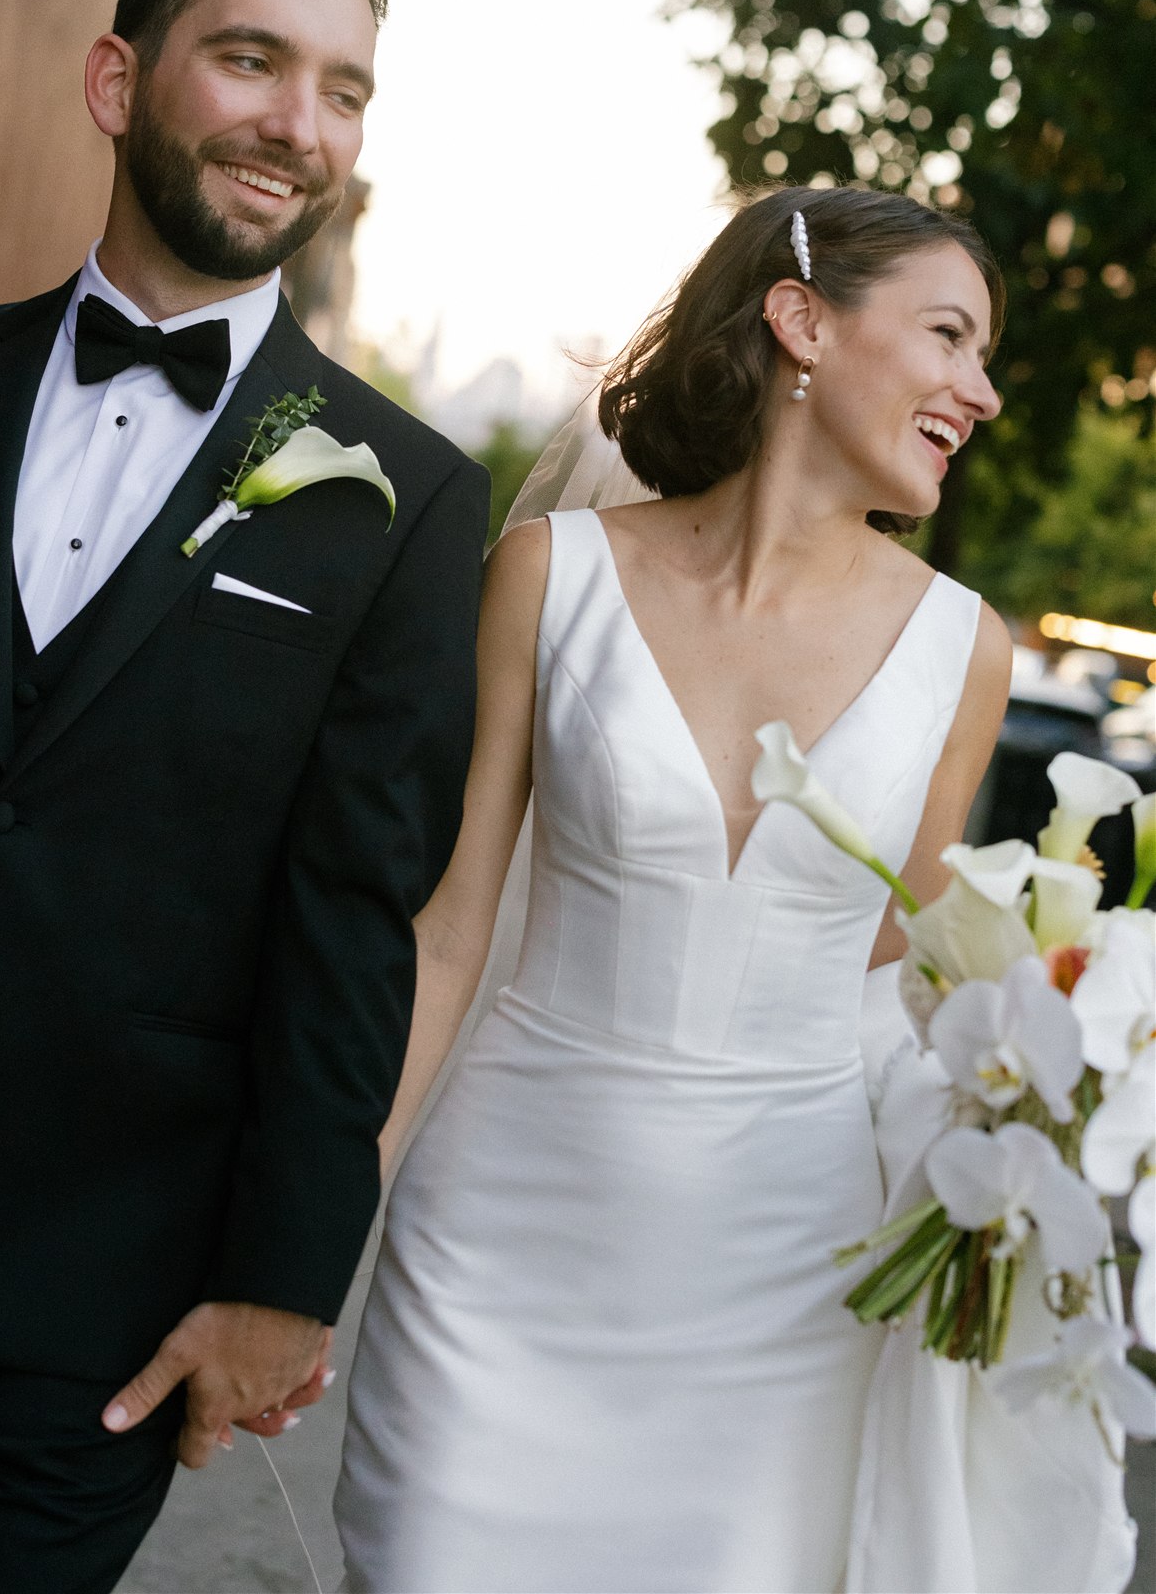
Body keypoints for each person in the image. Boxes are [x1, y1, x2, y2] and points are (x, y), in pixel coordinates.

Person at [0, 0, 489, 1592]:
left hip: (78, 1314)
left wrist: (285, 1277)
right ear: (119, 81)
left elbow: (352, 919)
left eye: (340, 90)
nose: (293, 125)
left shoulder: (397, 504)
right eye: (249, 59)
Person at [336, 185, 1014, 1594]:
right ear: (801, 322)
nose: (982, 391)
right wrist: (320, 1216)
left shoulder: (963, 650)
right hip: (495, 1253)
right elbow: (451, 931)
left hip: (788, 1288)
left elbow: (908, 987)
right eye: (949, 336)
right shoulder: (548, 574)